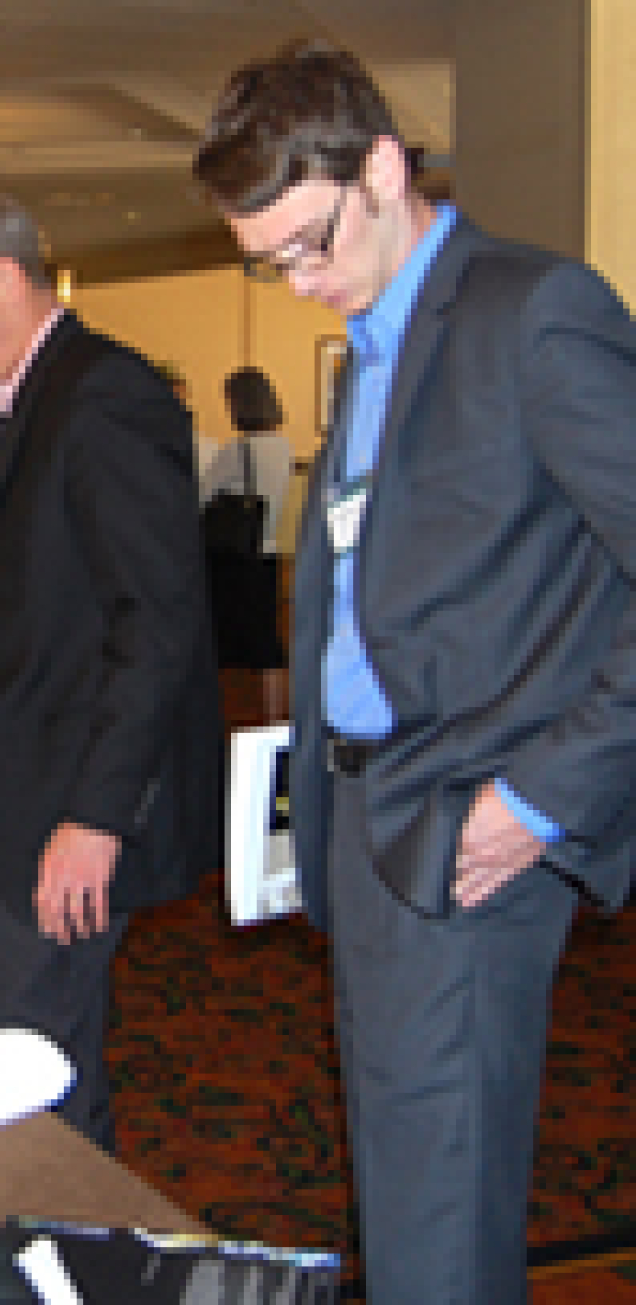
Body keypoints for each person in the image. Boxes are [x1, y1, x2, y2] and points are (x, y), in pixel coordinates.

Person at [193, 39, 636, 1303]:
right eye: (268, 262)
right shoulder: (382, 328)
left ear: (382, 167)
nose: (298, 281)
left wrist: (542, 797)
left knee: (437, 1223)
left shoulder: (531, 311)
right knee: (404, 1185)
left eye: (310, 244)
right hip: (371, 821)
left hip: (469, 822)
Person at [0, 193, 222, 1150]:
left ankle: (67, 1267)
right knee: (32, 1066)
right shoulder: (37, 395)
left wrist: (95, 817)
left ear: (4, 280)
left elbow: (155, 624)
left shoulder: (104, 395)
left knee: (32, 1084)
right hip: (19, 804)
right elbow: (59, 595)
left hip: (65, 812)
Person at [198, 365, 293, 721]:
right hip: (266, 551)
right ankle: (272, 716)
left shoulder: (237, 450)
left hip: (231, 556)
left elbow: (203, 493)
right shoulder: (283, 447)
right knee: (266, 643)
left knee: (225, 643)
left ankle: (228, 719)